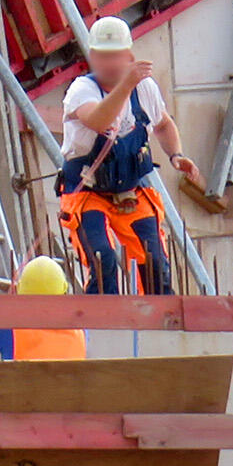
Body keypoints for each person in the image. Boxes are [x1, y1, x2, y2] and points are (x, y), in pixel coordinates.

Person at [58, 15, 201, 295]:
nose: (108, 64)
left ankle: (159, 319)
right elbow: (99, 120)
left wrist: (176, 155)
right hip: (88, 193)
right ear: (92, 57)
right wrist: (126, 84)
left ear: (128, 55)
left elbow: (162, 124)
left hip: (130, 192)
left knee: (155, 261)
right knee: (103, 258)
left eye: (115, 56)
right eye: (101, 56)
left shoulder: (144, 88)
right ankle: (104, 319)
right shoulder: (82, 90)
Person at [0, 256, 89, 360]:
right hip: (69, 386)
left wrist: (7, 306)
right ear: (63, 291)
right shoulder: (81, 331)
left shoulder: (10, 330)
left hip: (21, 385)